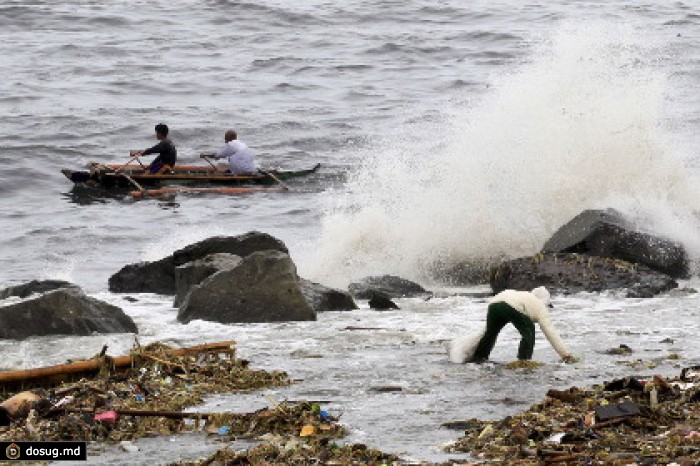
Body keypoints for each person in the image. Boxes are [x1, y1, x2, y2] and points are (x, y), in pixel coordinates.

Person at [448, 286, 576, 364]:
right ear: (546, 302)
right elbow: (551, 333)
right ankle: (523, 362)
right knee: (529, 332)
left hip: (494, 304)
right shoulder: (540, 306)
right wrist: (565, 355)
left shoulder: (525, 296)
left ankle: (479, 359)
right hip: (509, 305)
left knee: (490, 334)